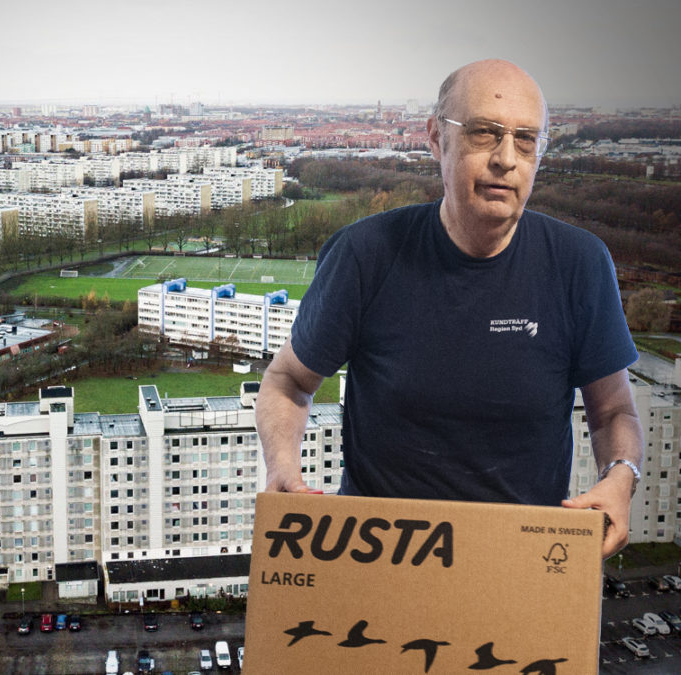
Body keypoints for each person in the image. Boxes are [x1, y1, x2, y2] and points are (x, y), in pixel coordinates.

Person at [256, 59, 642, 558]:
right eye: (485, 132)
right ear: (437, 137)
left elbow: (613, 411)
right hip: (379, 559)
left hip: (520, 562)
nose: (507, 158)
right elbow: (287, 381)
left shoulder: (579, 264)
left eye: (526, 139)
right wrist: (282, 467)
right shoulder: (365, 255)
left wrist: (621, 477)